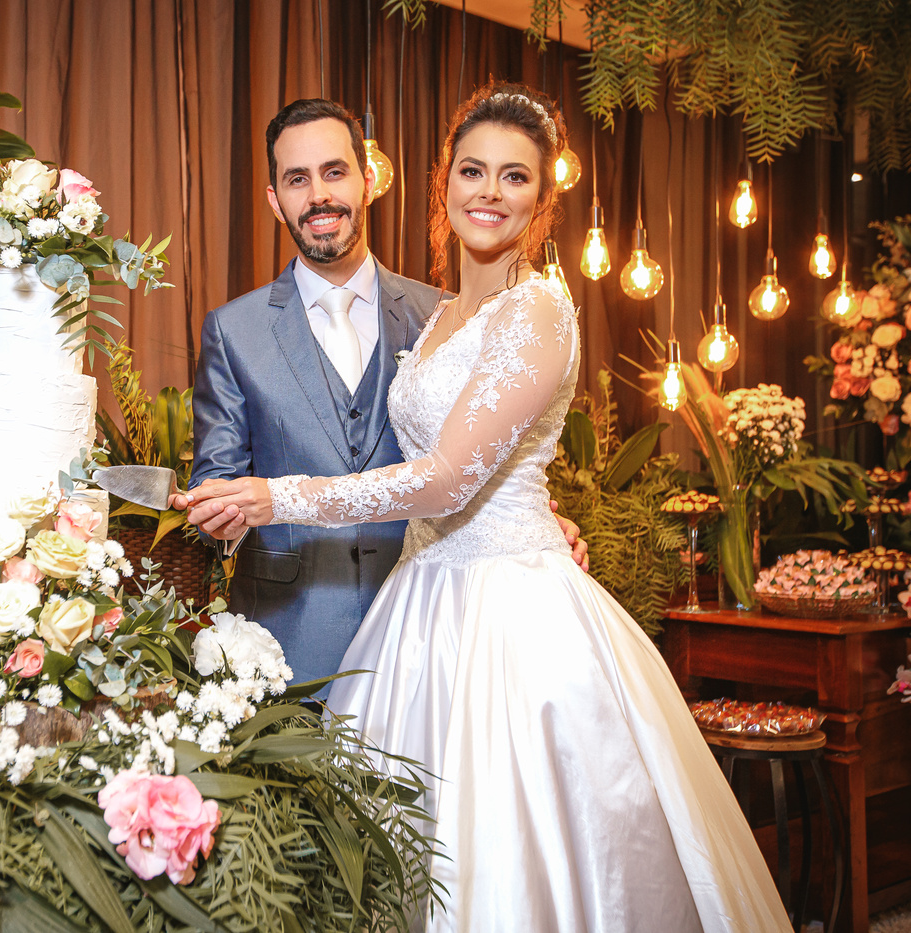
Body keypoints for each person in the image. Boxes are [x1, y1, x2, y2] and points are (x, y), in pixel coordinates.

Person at [181, 84, 789, 932]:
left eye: (515, 176)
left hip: (494, 622)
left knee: (502, 846)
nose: (490, 192)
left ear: (370, 178)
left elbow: (453, 472)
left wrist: (525, 512)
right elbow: (463, 444)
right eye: (474, 171)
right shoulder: (430, 319)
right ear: (275, 196)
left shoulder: (499, 306)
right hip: (355, 627)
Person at [190, 97, 586, 686]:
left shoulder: (438, 312)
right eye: (297, 179)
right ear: (275, 200)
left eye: (335, 171)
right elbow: (215, 488)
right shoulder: (233, 330)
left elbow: (476, 458)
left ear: (368, 180)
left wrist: (535, 521)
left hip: (437, 636)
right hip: (289, 640)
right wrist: (221, 518)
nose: (319, 195)